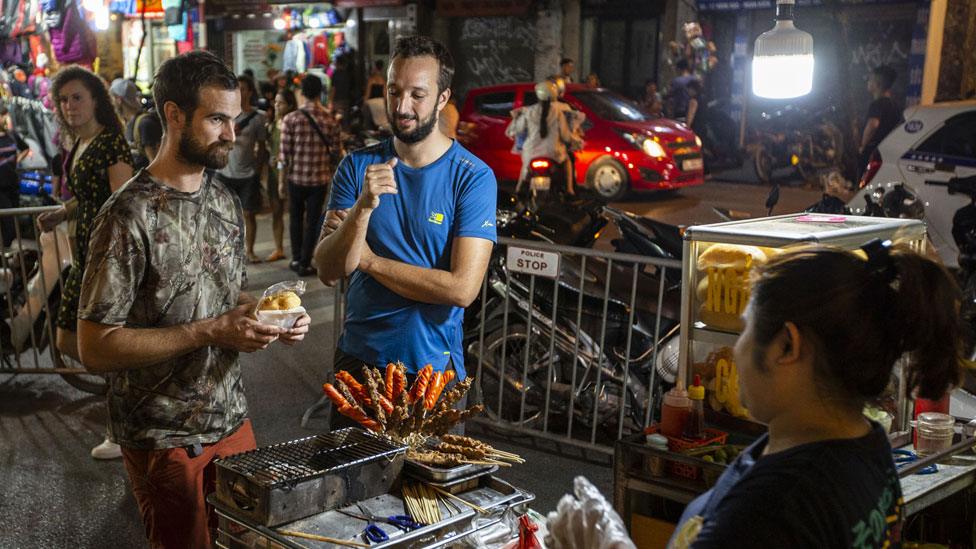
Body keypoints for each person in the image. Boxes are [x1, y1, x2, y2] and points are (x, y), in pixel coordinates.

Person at [75, 50, 310, 549]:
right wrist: (211, 330)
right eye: (217, 119)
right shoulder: (127, 216)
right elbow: (94, 346)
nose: (231, 133)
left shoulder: (223, 200)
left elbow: (220, 295)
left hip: (234, 421)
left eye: (234, 118)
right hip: (165, 438)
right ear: (174, 116)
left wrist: (272, 316)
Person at [669, 241, 962, 547]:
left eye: (746, 330)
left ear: (786, 346)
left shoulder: (770, 513)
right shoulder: (866, 444)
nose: (737, 348)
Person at [314, 35, 496, 428]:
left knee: (425, 487)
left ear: (442, 98)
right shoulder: (356, 168)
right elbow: (329, 270)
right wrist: (362, 208)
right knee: (348, 485)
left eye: (417, 94)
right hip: (358, 358)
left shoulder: (473, 177)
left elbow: (462, 289)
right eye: (394, 91)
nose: (401, 106)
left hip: (432, 368)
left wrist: (368, 260)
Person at [42, 66, 134, 460]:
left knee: (98, 343)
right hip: (83, 257)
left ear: (96, 99)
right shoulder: (81, 143)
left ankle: (123, 425)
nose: (70, 106)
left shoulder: (111, 142)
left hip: (104, 259)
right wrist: (64, 211)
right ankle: (129, 382)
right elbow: (89, 192)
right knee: (65, 339)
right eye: (63, 100)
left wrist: (115, 255)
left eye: (77, 97)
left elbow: (125, 201)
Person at [279, 74, 340, 277]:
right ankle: (306, 261)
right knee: (313, 222)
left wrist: (281, 181)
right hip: (320, 180)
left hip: (295, 178)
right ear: (320, 93)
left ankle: (296, 258)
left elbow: (284, 156)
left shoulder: (291, 119)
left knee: (295, 219)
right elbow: (336, 154)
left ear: (302, 92)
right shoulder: (330, 120)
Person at [215, 74, 267, 263]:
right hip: (225, 172)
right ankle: (227, 252)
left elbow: (262, 147)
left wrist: (258, 171)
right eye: (236, 88)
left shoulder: (258, 118)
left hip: (247, 173)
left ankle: (249, 250)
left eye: (243, 89)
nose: (239, 92)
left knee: (249, 214)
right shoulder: (224, 115)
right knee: (224, 216)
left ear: (250, 92)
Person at [506, 81, 573, 196]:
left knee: (524, 171)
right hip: (553, 153)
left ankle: (518, 191)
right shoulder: (558, 112)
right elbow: (566, 135)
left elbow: (519, 129)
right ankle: (569, 190)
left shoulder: (528, 111)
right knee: (567, 161)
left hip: (531, 153)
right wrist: (571, 142)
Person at [265, 88, 297, 262]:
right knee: (276, 212)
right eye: (275, 102)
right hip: (273, 173)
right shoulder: (271, 125)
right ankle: (279, 248)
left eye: (281, 103)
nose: (276, 106)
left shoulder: (293, 124)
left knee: (296, 214)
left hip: (292, 174)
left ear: (290, 105)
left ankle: (298, 249)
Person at [859, 65, 902, 180]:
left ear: (877, 84)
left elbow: (873, 125)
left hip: (873, 152)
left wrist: (863, 146)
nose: (868, 82)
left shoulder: (877, 105)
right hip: (887, 152)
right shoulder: (895, 105)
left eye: (870, 80)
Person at [0, 104, 30, 247]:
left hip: (13, 184)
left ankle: (9, 257)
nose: (4, 118)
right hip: (0, 188)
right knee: (8, 225)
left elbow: (25, 148)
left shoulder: (12, 135)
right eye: (2, 115)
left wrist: (16, 160)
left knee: (14, 222)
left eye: (5, 115)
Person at [109, 78, 143, 155]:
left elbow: (153, 159)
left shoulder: (143, 123)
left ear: (119, 100)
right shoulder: (124, 123)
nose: (111, 103)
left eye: (112, 98)